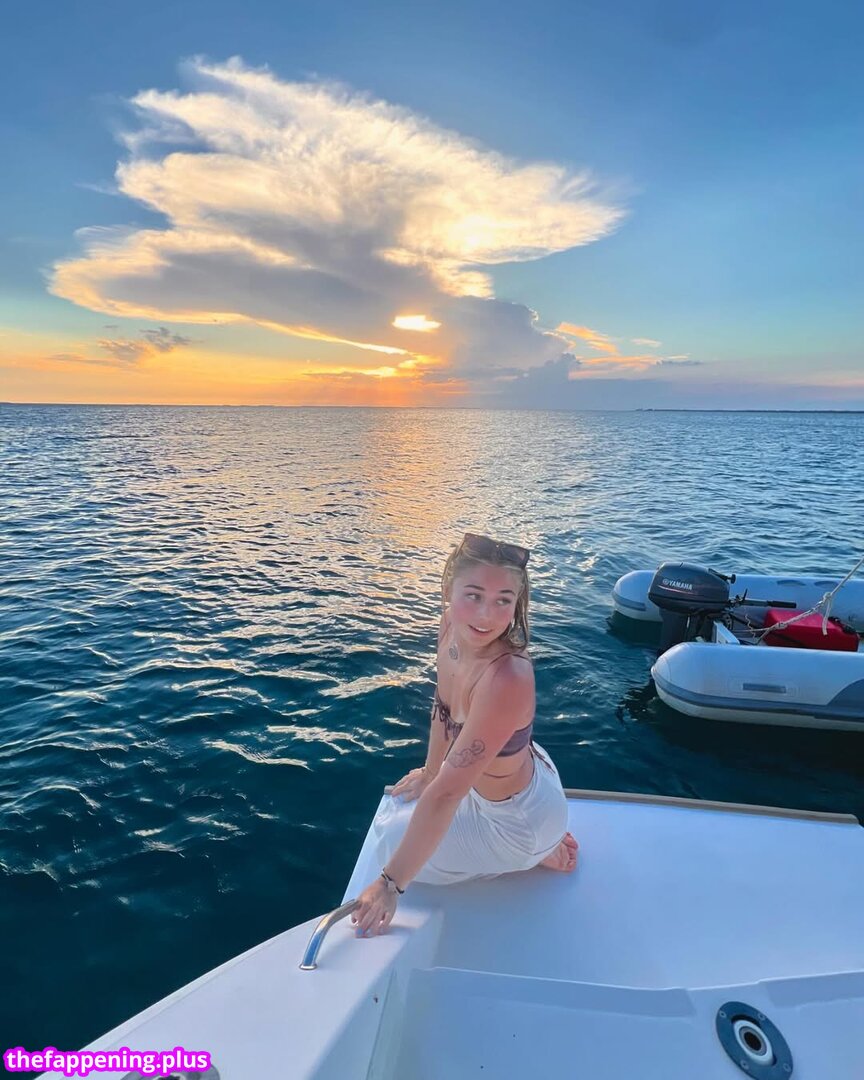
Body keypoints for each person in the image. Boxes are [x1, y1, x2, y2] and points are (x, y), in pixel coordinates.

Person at [351, 532, 578, 939]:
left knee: (388, 843)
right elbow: (443, 704)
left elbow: (447, 795)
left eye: (503, 601)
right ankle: (542, 843)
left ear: (517, 603)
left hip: (517, 820)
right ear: (448, 590)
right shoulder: (450, 627)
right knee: (409, 810)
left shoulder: (507, 677)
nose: (486, 616)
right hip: (511, 772)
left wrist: (389, 885)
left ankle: (537, 850)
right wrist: (430, 771)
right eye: (473, 595)